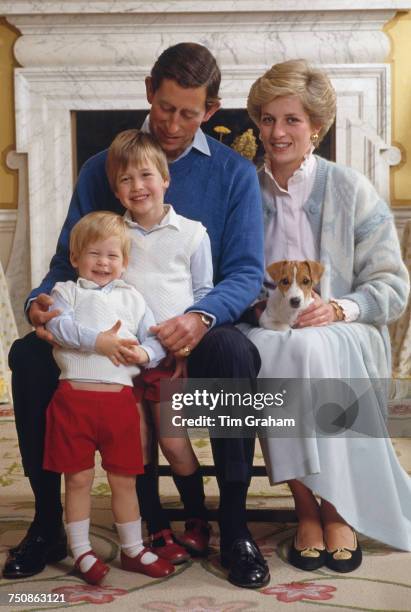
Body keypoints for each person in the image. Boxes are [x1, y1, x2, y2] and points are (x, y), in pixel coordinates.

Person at [5, 43, 268, 588]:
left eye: (188, 113)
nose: (172, 123)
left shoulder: (234, 174)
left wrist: (200, 317)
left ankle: (234, 524)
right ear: (149, 90)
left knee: (235, 351)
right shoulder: (105, 166)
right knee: (27, 355)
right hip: (114, 325)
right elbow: (67, 257)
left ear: (210, 111)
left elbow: (244, 274)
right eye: (165, 106)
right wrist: (40, 300)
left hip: (199, 323)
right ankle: (50, 522)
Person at [239, 59, 411, 573]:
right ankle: (307, 504)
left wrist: (338, 306)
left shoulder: (350, 188)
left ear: (317, 126)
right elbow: (227, 274)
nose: (277, 132)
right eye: (268, 119)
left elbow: (393, 287)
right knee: (284, 346)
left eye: (292, 120)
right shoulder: (243, 189)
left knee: (309, 346)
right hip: (269, 328)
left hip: (346, 330)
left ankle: (336, 508)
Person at [43, 211, 174, 583]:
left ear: (125, 262)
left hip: (119, 405)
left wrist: (144, 355)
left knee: (124, 479)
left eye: (112, 256)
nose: (103, 262)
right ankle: (81, 551)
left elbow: (154, 339)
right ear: (75, 259)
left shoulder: (133, 298)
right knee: (79, 480)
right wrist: (98, 342)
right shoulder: (64, 293)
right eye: (93, 254)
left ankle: (133, 549)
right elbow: (59, 325)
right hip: (74, 402)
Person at [106, 128, 213, 564]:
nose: (137, 187)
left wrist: (188, 343)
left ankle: (197, 518)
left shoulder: (191, 234)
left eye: (146, 176)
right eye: (126, 180)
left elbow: (206, 293)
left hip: (171, 357)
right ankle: (156, 525)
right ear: (116, 189)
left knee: (173, 441)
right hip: (126, 360)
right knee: (140, 443)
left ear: (165, 179)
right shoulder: (114, 236)